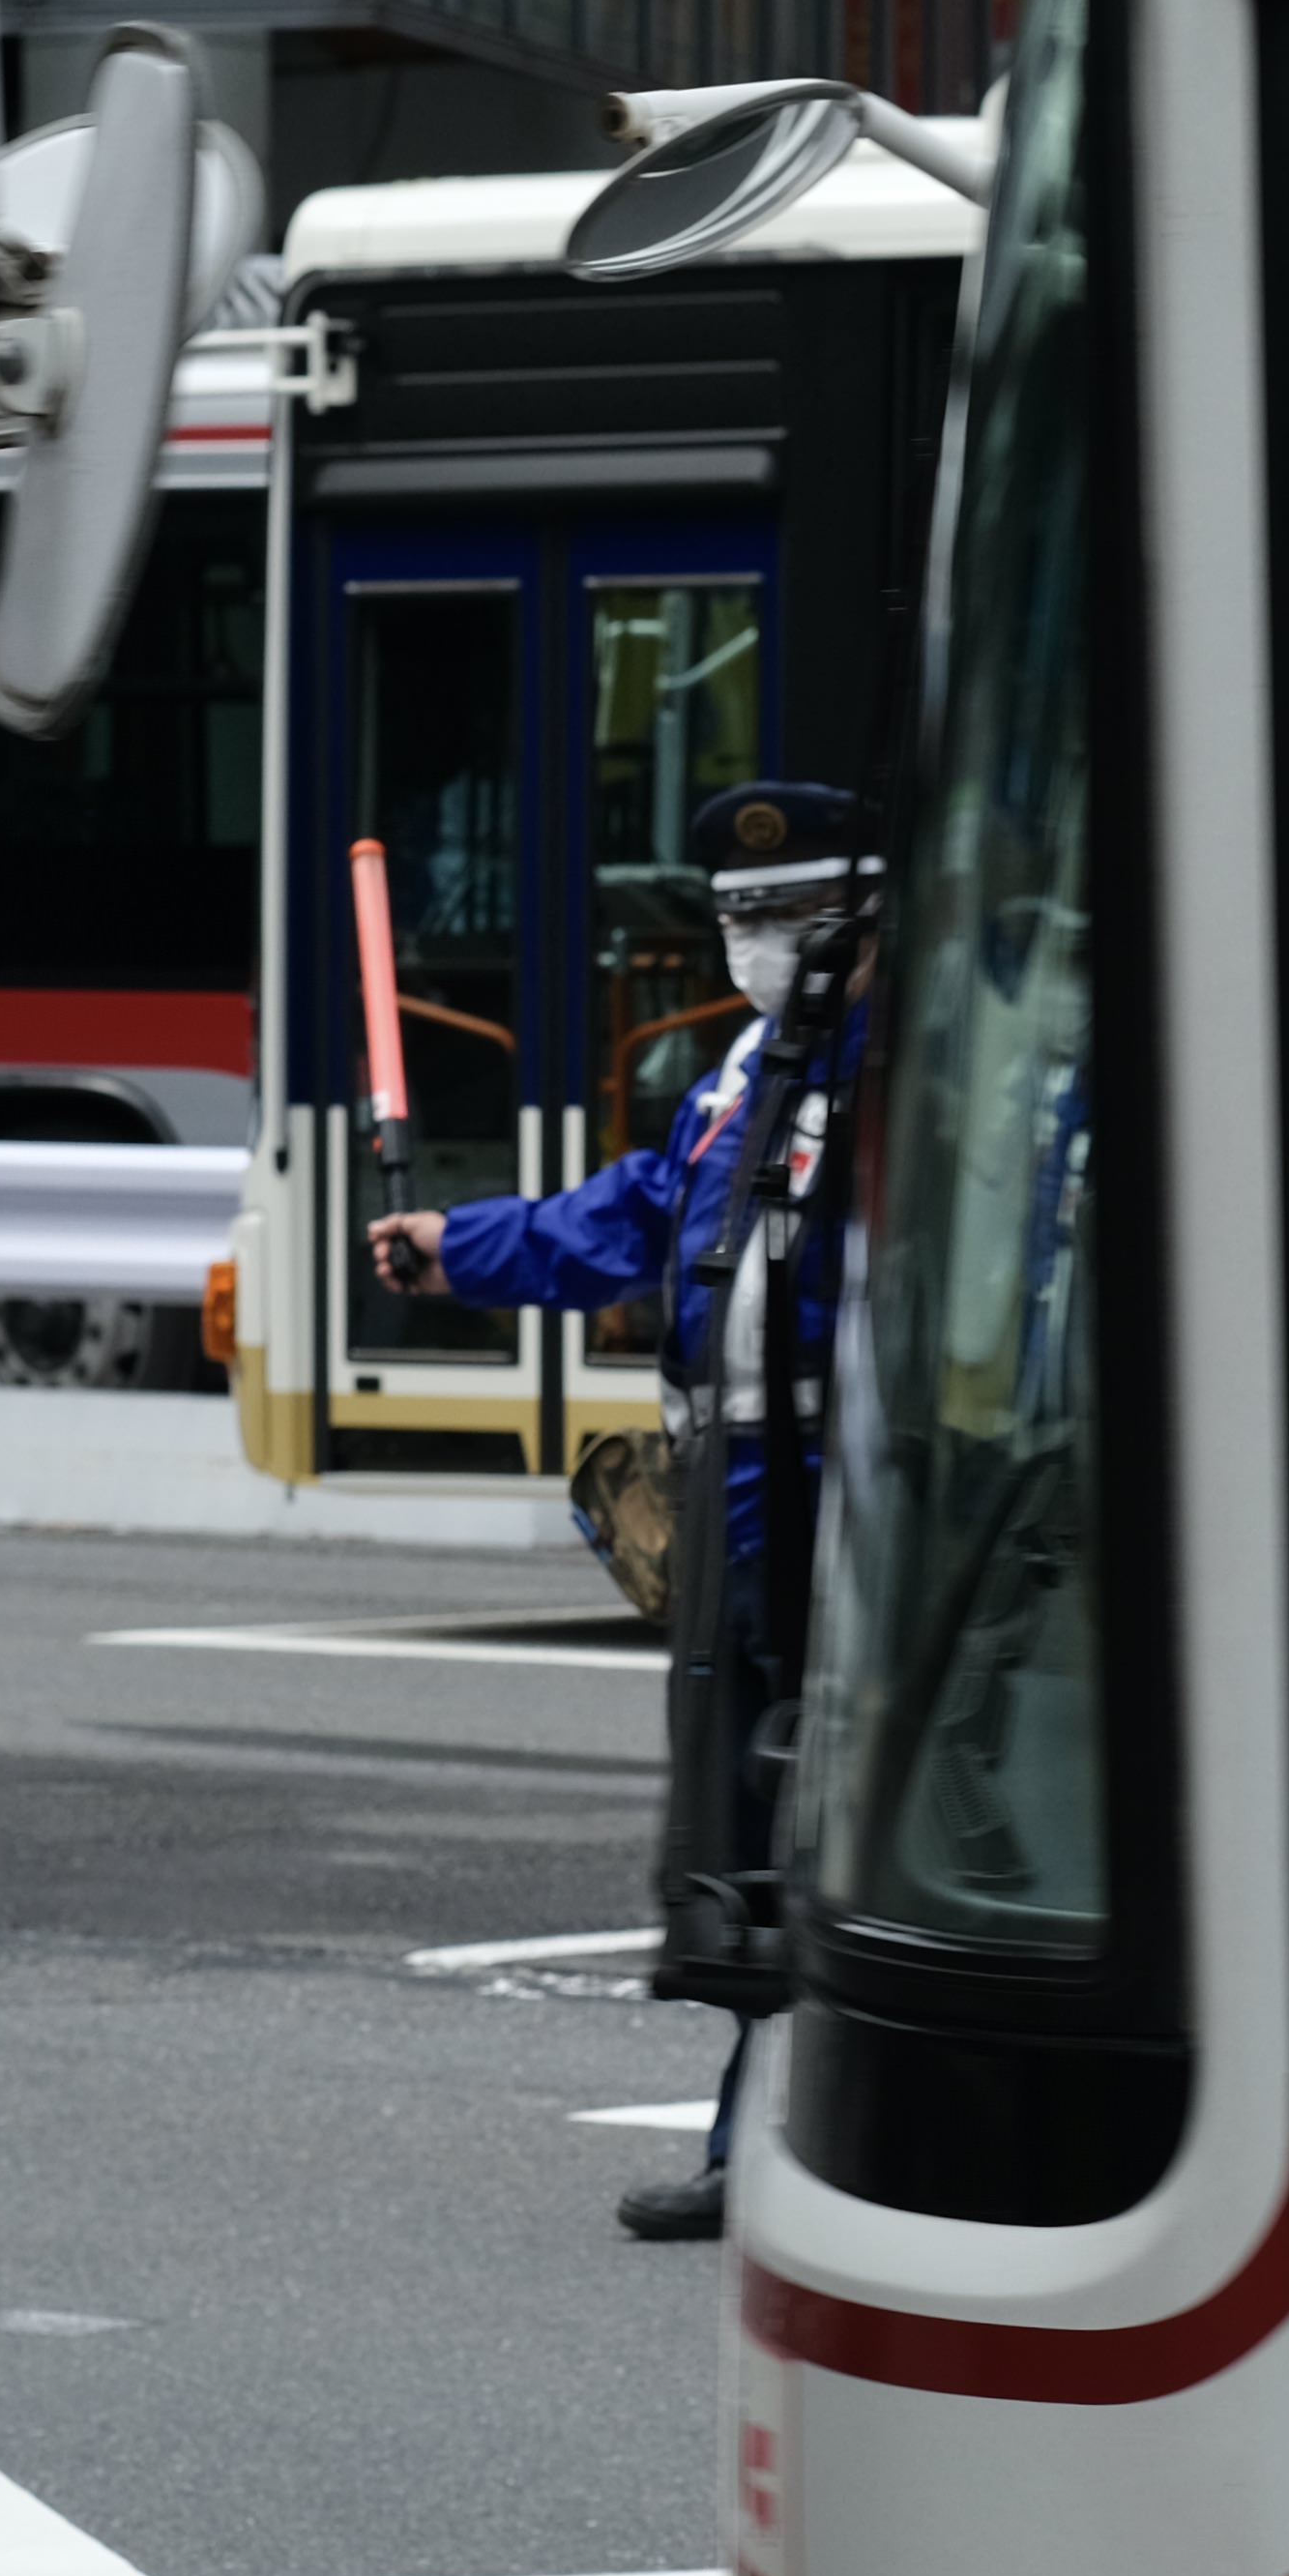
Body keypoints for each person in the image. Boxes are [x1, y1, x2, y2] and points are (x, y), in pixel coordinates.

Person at [365, 781, 879, 2237]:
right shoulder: (744, 1074)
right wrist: (459, 1247)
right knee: (742, 1832)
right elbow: (640, 1211)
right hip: (735, 1502)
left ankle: (814, 2146)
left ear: (867, 922)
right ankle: (752, 2145)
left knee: (836, 1830)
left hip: (851, 1502)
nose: (758, 944)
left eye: (790, 916)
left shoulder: (917, 1069)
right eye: (739, 919)